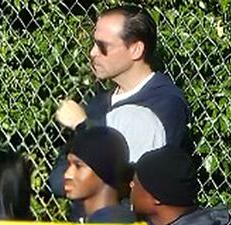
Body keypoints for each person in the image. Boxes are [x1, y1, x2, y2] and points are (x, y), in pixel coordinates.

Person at [53, 5, 188, 165]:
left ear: (136, 50)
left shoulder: (165, 104)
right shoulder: (98, 103)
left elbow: (125, 172)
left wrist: (83, 126)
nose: (92, 53)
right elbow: (59, 178)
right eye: (94, 44)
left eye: (102, 46)